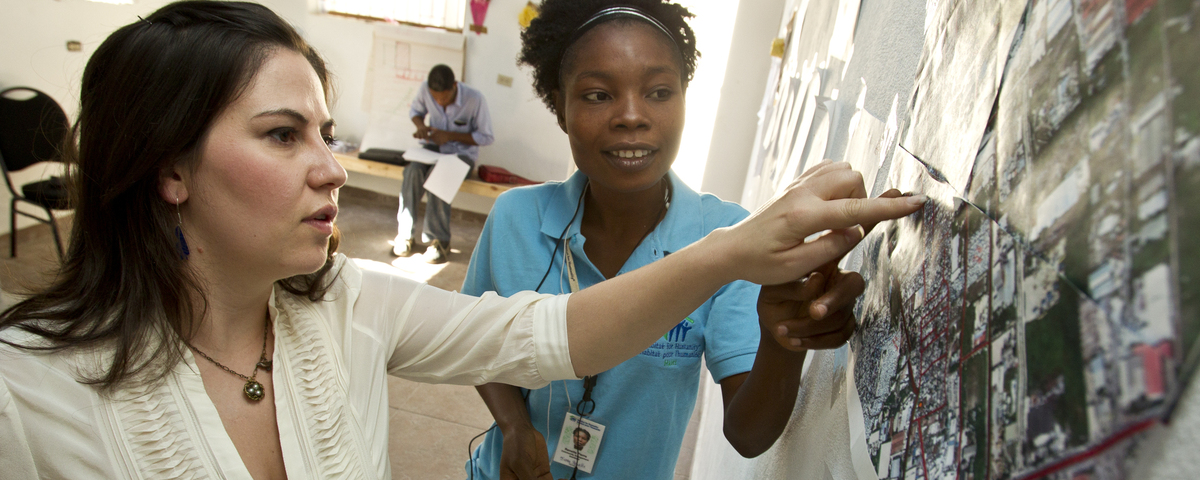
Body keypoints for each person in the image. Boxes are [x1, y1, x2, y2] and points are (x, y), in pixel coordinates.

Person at [0, 2, 923, 479]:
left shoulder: (348, 308)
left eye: (327, 133)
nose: (330, 168)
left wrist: (739, 255)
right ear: (169, 168)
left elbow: (542, 336)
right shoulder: (26, 393)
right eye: (285, 136)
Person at [463, 1, 913, 479]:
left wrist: (783, 343)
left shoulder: (731, 240)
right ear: (560, 105)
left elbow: (748, 436)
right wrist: (513, 426)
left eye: (659, 91)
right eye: (597, 95)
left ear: (683, 98)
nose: (631, 116)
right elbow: (476, 337)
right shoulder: (516, 217)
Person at [394, 64, 493, 264]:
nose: (439, 101)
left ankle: (438, 241)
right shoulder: (424, 89)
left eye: (444, 98)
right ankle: (405, 235)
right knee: (412, 171)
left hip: (462, 154)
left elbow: (486, 137)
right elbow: (416, 111)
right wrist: (421, 127)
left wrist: (449, 136)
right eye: (435, 98)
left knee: (442, 175)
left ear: (455, 86)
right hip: (433, 149)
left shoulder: (475, 99)